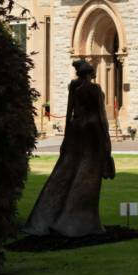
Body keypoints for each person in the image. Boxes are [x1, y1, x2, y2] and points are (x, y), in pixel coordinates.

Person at [21, 59, 115, 236]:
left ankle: (42, 220)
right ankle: (77, 222)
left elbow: (70, 110)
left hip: (75, 127)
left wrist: (66, 135)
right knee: (88, 174)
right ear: (89, 73)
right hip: (93, 129)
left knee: (65, 170)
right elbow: (102, 115)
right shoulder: (95, 88)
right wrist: (107, 145)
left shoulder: (73, 85)